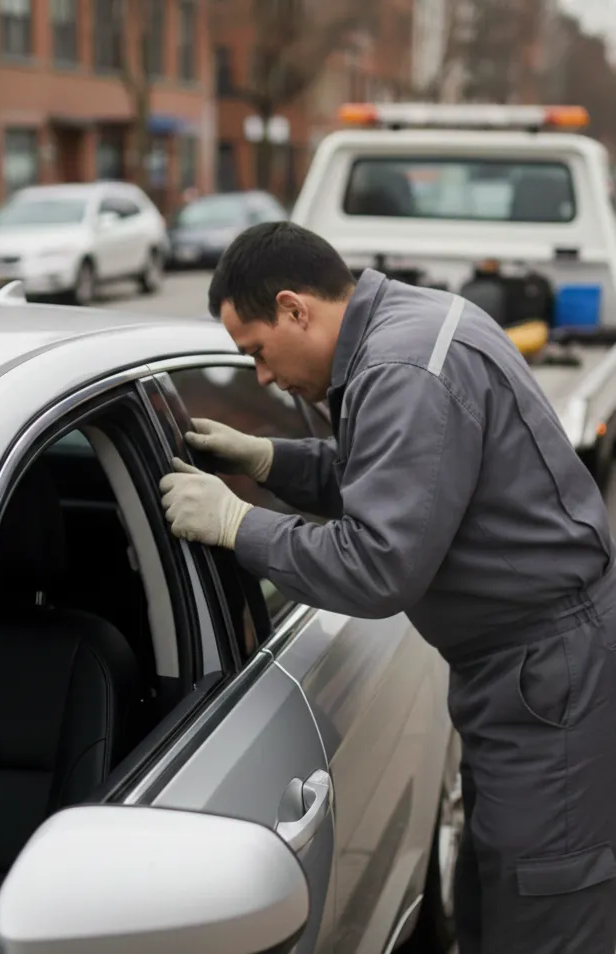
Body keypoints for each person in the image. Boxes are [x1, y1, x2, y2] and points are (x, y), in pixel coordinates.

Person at [159, 221, 616, 954]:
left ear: (294, 308)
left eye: (257, 353)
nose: (264, 378)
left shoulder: (402, 369)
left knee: (546, 909)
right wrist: (270, 458)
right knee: (496, 891)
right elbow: (401, 476)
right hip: (527, 665)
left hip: (547, 670)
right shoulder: (407, 325)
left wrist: (237, 525)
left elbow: (379, 563)